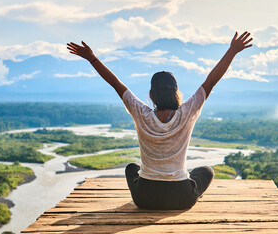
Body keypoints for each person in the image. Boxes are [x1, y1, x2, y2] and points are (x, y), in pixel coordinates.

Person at [67, 31, 253, 210]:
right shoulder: (186, 113)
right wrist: (232, 51)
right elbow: (211, 81)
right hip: (182, 197)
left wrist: (92, 58)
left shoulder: (140, 112)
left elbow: (115, 83)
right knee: (206, 171)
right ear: (176, 94)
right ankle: (193, 192)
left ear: (151, 95)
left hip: (145, 197)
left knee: (132, 168)